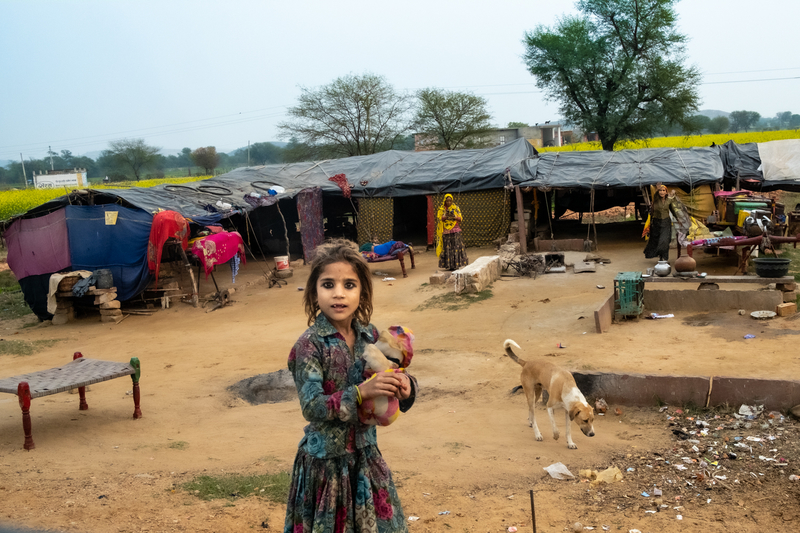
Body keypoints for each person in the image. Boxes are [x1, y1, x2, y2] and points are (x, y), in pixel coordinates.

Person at [284, 239, 416, 533]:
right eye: (328, 285)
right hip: (325, 468)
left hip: (366, 463)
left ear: (362, 292)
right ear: (314, 291)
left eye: (349, 285)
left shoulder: (371, 335)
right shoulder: (309, 345)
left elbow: (394, 374)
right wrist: (360, 393)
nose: (339, 294)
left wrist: (404, 387)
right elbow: (312, 406)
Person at [643, 184, 680, 262]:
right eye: (660, 190)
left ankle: (665, 258)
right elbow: (652, 212)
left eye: (663, 190)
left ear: (666, 192)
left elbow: (672, 210)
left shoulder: (669, 200)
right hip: (656, 223)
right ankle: (661, 257)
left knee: (664, 241)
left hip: (666, 223)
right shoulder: (655, 200)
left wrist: (678, 219)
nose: (662, 192)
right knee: (656, 241)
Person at [436, 194, 468, 270]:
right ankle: (449, 265)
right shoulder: (441, 209)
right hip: (446, 231)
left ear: (452, 201)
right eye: (447, 201)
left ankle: (457, 264)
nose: (449, 202)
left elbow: (460, 219)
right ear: (445, 201)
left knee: (456, 247)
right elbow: (440, 218)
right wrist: (445, 216)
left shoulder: (456, 208)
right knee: (447, 248)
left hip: (455, 230)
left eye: (450, 200)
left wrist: (455, 217)